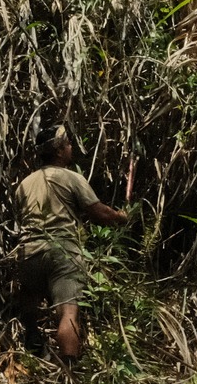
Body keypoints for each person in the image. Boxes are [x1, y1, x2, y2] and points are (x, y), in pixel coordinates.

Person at [14, 125, 126, 367]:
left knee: (30, 301)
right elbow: (99, 213)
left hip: (28, 252)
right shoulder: (72, 177)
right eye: (67, 144)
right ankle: (70, 374)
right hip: (62, 252)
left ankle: (33, 346)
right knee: (68, 312)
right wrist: (120, 217)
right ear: (58, 150)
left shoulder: (24, 184)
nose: (71, 148)